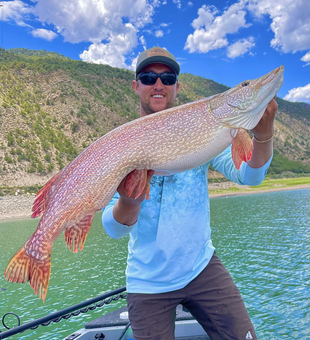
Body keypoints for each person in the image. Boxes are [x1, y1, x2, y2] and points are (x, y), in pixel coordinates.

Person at [102, 46, 278, 340]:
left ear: (177, 86)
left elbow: (250, 175)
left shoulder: (210, 131)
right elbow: (112, 228)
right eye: (148, 77)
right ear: (136, 86)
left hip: (202, 268)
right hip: (147, 283)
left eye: (167, 77)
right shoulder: (122, 143)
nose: (158, 84)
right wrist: (128, 202)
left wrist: (264, 135)